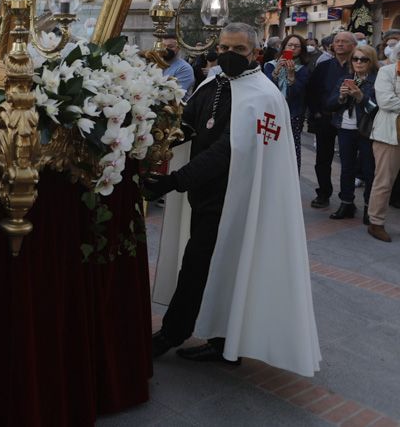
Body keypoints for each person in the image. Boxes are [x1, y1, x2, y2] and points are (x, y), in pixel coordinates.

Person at [147, 22, 320, 375]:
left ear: (255, 53)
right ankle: (225, 341)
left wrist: (174, 181)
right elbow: (186, 125)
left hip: (238, 201)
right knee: (217, 267)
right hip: (206, 195)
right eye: (223, 48)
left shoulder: (265, 97)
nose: (227, 55)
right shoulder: (213, 82)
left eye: (237, 50)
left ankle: (172, 333)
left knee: (198, 265)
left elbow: (228, 151)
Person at [326, 44, 378, 223]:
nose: (358, 62)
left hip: (367, 131)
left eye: (363, 59)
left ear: (371, 62)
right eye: (355, 59)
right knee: (346, 168)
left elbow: (376, 109)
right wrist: (341, 97)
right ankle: (346, 203)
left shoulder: (376, 80)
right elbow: (330, 104)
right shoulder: (345, 78)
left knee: (368, 170)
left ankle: (369, 208)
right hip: (345, 127)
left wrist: (360, 97)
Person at [306, 31, 357, 209]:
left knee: (348, 160)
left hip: (349, 120)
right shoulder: (324, 66)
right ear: (332, 46)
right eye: (337, 41)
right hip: (325, 118)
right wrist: (316, 114)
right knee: (323, 159)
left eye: (345, 41)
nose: (340, 44)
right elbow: (312, 91)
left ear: (354, 46)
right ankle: (323, 193)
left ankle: (346, 197)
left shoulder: (358, 65)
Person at [366, 48, 400, 243]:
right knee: (384, 181)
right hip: (389, 135)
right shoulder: (386, 72)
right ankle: (376, 222)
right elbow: (386, 101)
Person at [263, 34, 310, 171]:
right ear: (283, 47)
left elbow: (297, 94)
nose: (293, 48)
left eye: (297, 46)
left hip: (292, 114)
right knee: (271, 148)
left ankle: (290, 183)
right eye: (290, 45)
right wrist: (276, 71)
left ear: (301, 50)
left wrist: (291, 76)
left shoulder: (303, 69)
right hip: (272, 113)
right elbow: (266, 89)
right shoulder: (270, 65)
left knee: (291, 149)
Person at [161, 34, 195, 98]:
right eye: (163, 46)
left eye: (170, 47)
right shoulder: (156, 64)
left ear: (178, 48)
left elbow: (173, 94)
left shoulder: (185, 68)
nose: (165, 49)